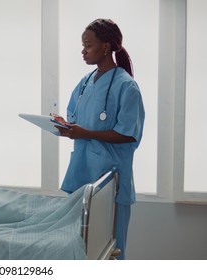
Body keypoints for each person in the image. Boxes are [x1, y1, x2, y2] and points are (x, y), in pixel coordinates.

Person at [53, 19, 145, 260]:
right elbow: (78, 122)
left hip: (110, 182)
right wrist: (64, 125)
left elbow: (128, 133)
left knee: (111, 253)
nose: (83, 51)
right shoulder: (85, 83)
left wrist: (87, 133)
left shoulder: (127, 86)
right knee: (81, 252)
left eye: (87, 45)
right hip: (83, 176)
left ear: (105, 47)